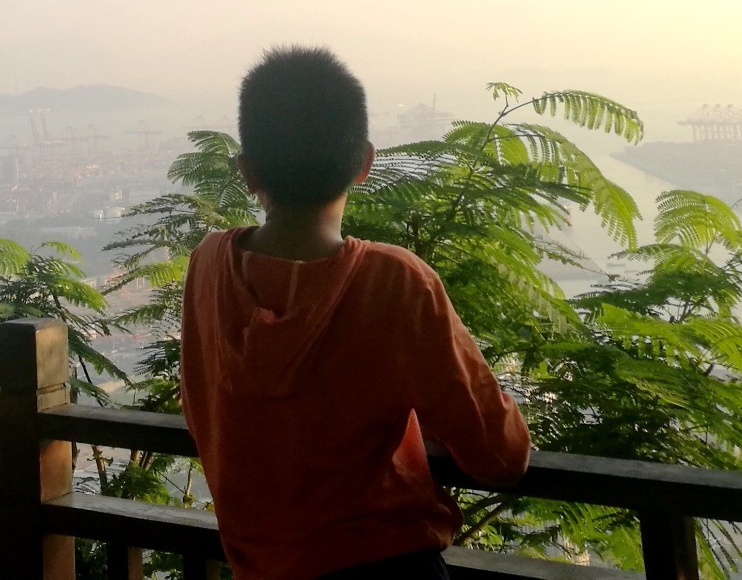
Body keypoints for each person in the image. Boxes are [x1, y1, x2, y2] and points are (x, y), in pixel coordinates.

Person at [180, 46, 532, 580]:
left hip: (260, 568)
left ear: (249, 172)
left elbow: (203, 407)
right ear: (364, 162)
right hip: (388, 568)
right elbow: (498, 455)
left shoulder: (208, 266)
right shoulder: (394, 281)